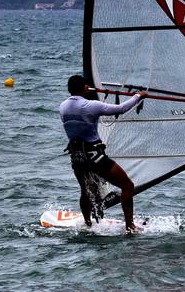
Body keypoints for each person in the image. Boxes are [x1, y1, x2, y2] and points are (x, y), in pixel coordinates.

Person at [59, 74, 146, 233]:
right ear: (85, 88)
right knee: (127, 185)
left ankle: (87, 223)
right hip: (95, 157)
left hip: (77, 158)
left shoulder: (63, 107)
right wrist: (138, 96)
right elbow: (121, 109)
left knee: (85, 190)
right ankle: (130, 226)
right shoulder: (91, 106)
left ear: (69, 89)